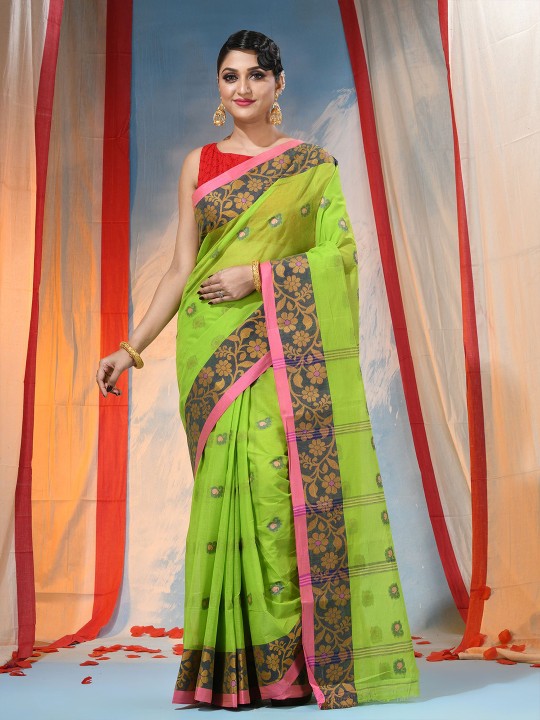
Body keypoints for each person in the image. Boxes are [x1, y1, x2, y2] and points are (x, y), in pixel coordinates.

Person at [96, 29, 420, 711]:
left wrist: (260, 277)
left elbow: (340, 256)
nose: (241, 88)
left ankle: (288, 667)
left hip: (278, 347)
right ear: (219, 87)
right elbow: (180, 269)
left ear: (277, 85)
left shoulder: (312, 166)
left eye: (254, 76)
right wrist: (131, 347)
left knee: (276, 490)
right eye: (230, 76)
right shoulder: (200, 163)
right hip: (209, 352)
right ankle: (233, 668)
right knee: (226, 496)